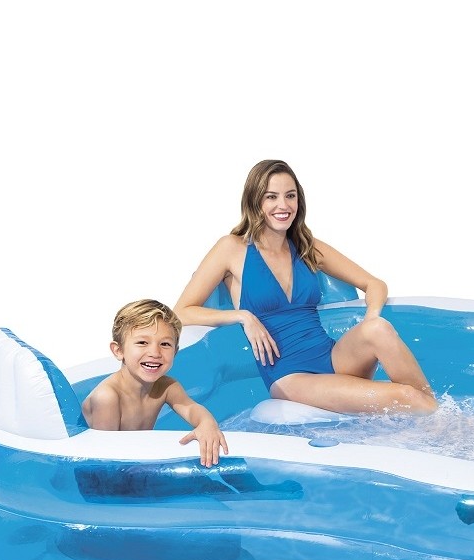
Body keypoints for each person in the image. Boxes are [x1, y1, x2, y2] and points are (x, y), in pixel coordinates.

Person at [174, 159, 438, 415]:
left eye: (290, 196)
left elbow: (374, 284)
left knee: (379, 329)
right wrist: (243, 316)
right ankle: (445, 422)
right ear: (254, 201)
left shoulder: (306, 246)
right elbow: (182, 311)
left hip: (331, 356)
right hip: (289, 376)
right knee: (408, 397)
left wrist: (369, 322)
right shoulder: (231, 248)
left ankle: (438, 418)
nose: (283, 205)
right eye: (271, 197)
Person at [82, 299, 229, 467]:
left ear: (175, 352)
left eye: (165, 344)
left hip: (132, 460)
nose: (155, 353)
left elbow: (190, 408)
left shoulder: (166, 386)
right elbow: (103, 462)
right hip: (101, 469)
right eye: (142, 343)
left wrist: (207, 423)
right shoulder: (107, 397)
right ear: (118, 350)